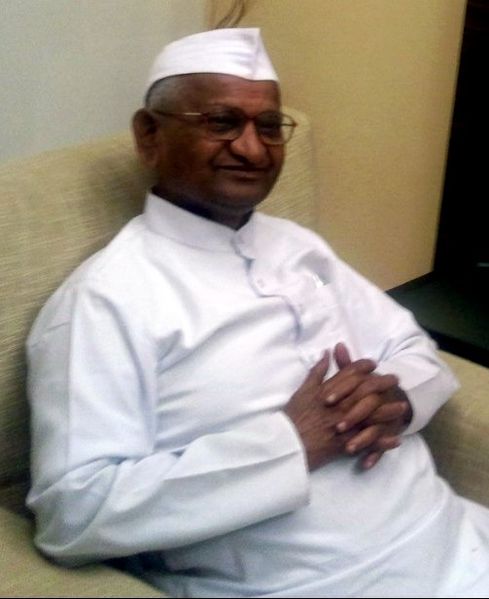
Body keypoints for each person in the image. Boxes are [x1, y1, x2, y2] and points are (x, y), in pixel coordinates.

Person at [26, 28, 489, 598]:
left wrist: (395, 399)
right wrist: (290, 443)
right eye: (222, 122)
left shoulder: (297, 244)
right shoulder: (107, 299)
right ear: (149, 135)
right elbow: (72, 514)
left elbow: (413, 349)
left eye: (269, 127)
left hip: (458, 539)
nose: (252, 149)